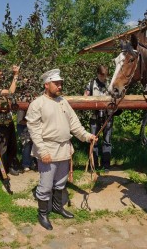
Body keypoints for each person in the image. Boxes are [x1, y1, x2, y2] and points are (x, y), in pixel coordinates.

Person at [26, 68, 97, 230]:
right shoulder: (37, 104)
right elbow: (34, 131)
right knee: (45, 185)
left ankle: (57, 207)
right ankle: (42, 213)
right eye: (56, 83)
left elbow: (74, 124)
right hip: (48, 150)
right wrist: (43, 151)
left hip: (64, 149)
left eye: (60, 83)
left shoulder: (63, 102)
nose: (60, 86)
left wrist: (87, 136)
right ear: (46, 85)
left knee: (60, 183)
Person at [84, 65, 113, 172]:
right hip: (94, 116)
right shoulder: (91, 84)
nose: (104, 78)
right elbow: (84, 98)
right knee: (93, 141)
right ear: (98, 74)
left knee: (107, 141)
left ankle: (106, 165)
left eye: (106, 75)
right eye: (102, 76)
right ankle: (94, 164)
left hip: (108, 116)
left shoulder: (111, 84)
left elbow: (116, 96)